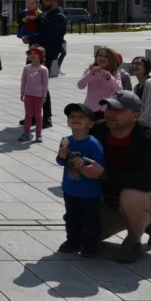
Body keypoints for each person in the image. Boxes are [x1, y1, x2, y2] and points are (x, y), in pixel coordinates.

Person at [87, 90, 151, 263]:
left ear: (135, 116)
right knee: (81, 238)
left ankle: (134, 241)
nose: (110, 114)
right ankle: (145, 225)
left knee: (131, 196)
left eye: (118, 110)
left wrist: (104, 174)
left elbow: (145, 182)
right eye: (108, 108)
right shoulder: (98, 130)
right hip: (112, 196)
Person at [56, 104, 105, 257]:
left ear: (90, 124)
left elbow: (99, 166)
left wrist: (83, 164)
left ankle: (90, 244)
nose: (76, 119)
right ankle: (72, 240)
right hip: (70, 188)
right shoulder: (66, 140)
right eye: (72, 117)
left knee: (90, 219)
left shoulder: (92, 143)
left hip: (89, 192)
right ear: (68, 122)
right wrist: (62, 156)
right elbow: (60, 161)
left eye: (81, 117)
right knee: (71, 217)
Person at [26, 0, 67, 127]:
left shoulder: (59, 17)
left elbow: (50, 35)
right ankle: (31, 116)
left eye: (47, 0)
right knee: (30, 85)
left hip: (46, 55)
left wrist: (32, 37)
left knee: (41, 85)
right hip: (34, 53)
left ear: (54, 2)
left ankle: (46, 118)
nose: (44, 3)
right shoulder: (45, 14)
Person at [77, 46, 124, 120]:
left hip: (107, 109)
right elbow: (80, 85)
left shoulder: (115, 73)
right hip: (91, 108)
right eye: (100, 55)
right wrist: (90, 73)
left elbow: (119, 90)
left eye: (106, 57)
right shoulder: (89, 69)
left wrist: (110, 78)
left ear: (111, 59)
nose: (102, 58)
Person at [20, 45, 49, 143]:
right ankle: (26, 133)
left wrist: (44, 95)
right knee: (28, 114)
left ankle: (38, 133)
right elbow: (23, 81)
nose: (32, 55)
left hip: (38, 96)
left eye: (34, 53)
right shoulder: (27, 68)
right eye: (30, 53)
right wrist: (22, 92)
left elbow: (45, 84)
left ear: (40, 56)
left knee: (38, 115)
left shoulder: (43, 69)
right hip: (28, 94)